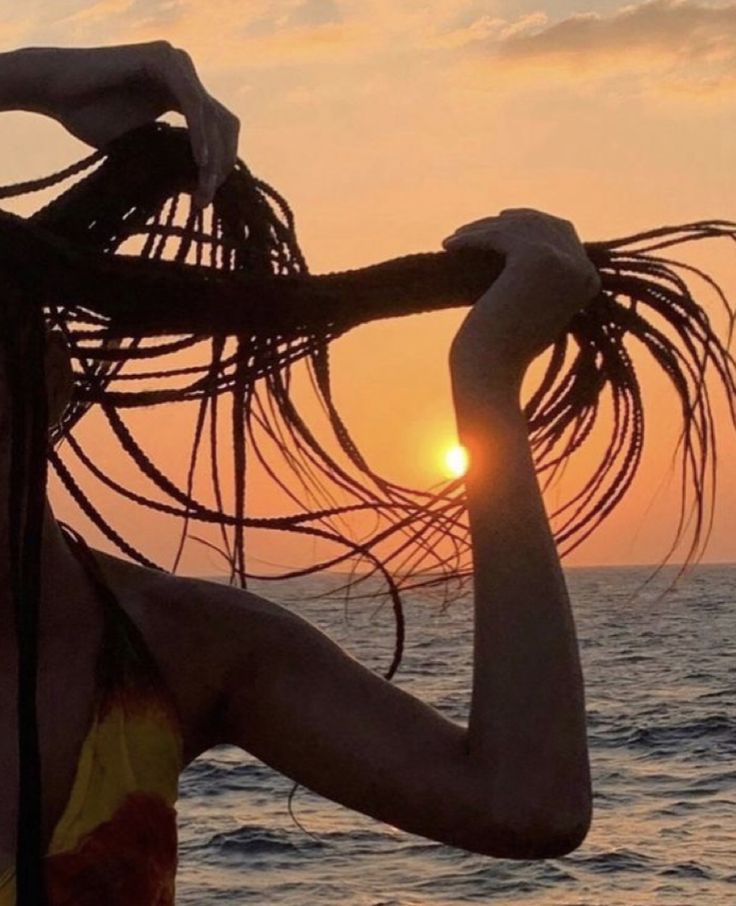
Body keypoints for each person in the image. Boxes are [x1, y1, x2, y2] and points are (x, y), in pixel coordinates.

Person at [0, 41, 600, 903]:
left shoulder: (177, 647)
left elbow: (526, 803)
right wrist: (27, 79)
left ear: (49, 377)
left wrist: (488, 382)